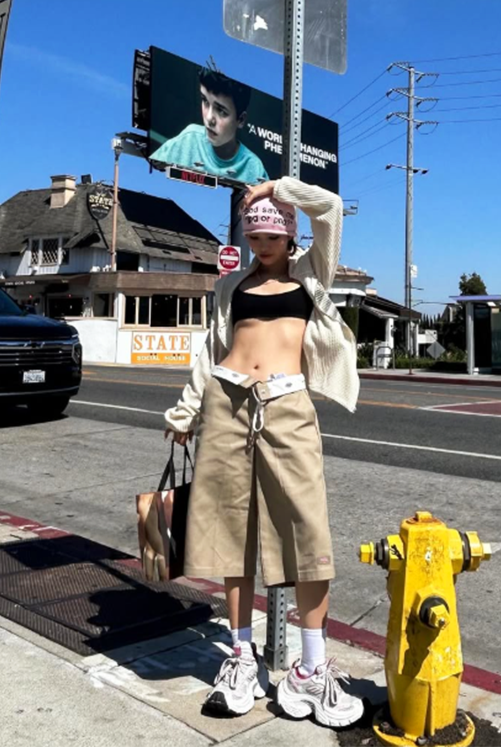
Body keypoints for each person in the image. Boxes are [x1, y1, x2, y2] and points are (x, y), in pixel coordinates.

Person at [164, 177, 363, 728]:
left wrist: (276, 188)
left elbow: (330, 208)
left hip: (287, 408)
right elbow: (212, 349)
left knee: (307, 530)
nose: (263, 245)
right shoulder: (232, 285)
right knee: (231, 534)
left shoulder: (311, 273)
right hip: (226, 405)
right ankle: (241, 658)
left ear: (290, 234)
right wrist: (186, 412)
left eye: (272, 235)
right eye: (254, 236)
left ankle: (311, 669)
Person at [151, 67, 269, 184]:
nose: (209, 118)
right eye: (205, 101)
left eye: (221, 111)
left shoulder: (255, 167)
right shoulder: (188, 139)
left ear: (241, 119)